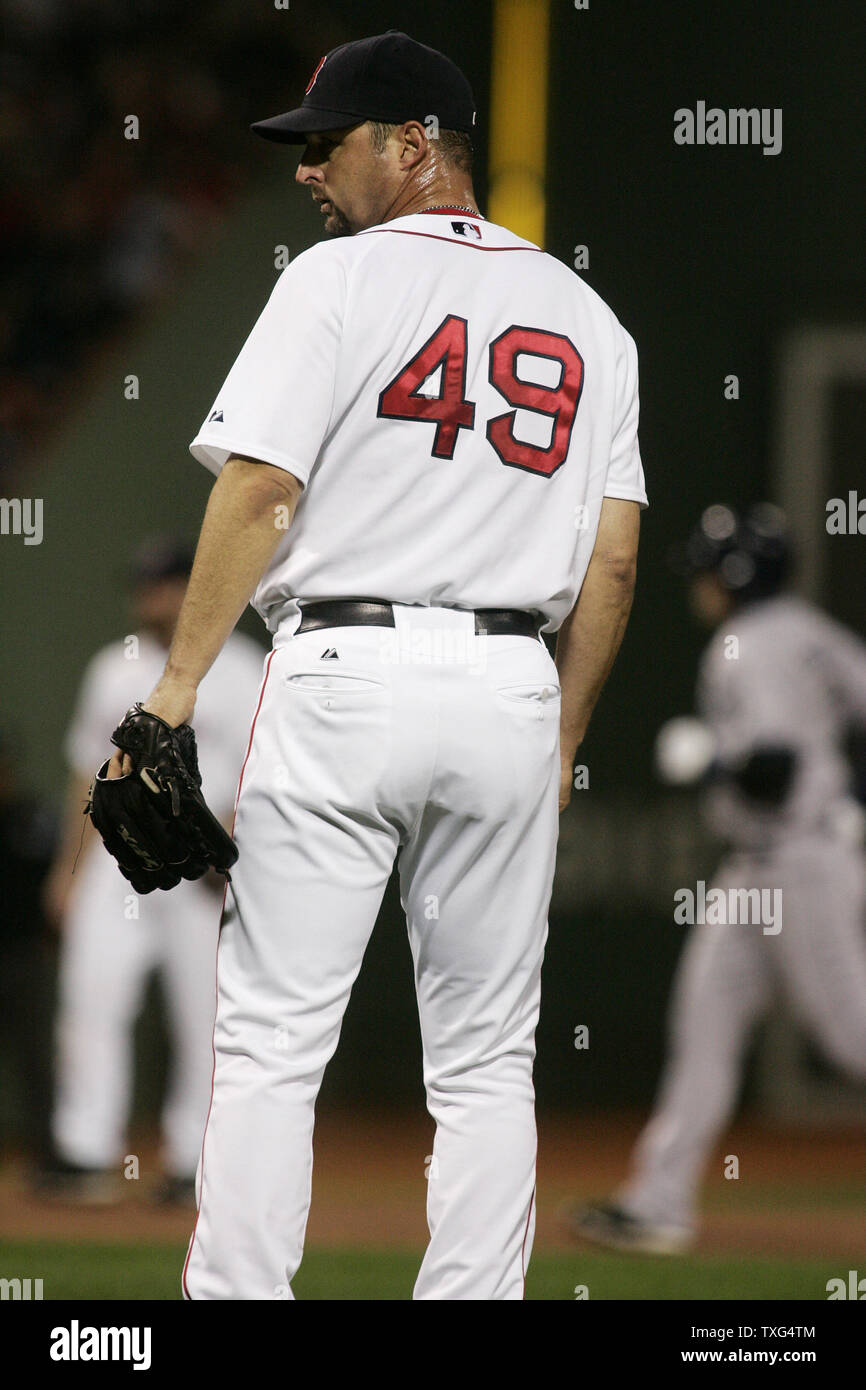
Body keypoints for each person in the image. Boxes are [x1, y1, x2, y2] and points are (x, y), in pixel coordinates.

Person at [101, 31, 646, 1298]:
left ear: (412, 146)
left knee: (276, 1040)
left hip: (345, 665)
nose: (305, 168)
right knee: (486, 1059)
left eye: (326, 140)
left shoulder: (336, 283)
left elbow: (261, 488)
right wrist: (555, 741)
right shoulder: (591, 318)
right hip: (513, 684)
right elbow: (611, 563)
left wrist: (174, 691)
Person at [569, 503, 866, 1254]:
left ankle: (658, 1201)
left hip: (798, 863)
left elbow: (773, 769)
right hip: (761, 868)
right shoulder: (810, 631)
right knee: (705, 1025)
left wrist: (711, 762)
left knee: (851, 1034)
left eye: (708, 567)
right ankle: (658, 1203)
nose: (698, 582)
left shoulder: (746, 645)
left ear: (735, 573)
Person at [40, 538, 264, 1204]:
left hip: (198, 870)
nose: (151, 597)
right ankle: (85, 1151)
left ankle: (192, 1163)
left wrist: (231, 844)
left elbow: (263, 770)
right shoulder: (115, 667)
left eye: (164, 584)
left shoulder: (246, 665)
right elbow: (89, 771)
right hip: (115, 864)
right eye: (145, 585)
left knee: (203, 1017)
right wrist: (66, 871)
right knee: (91, 999)